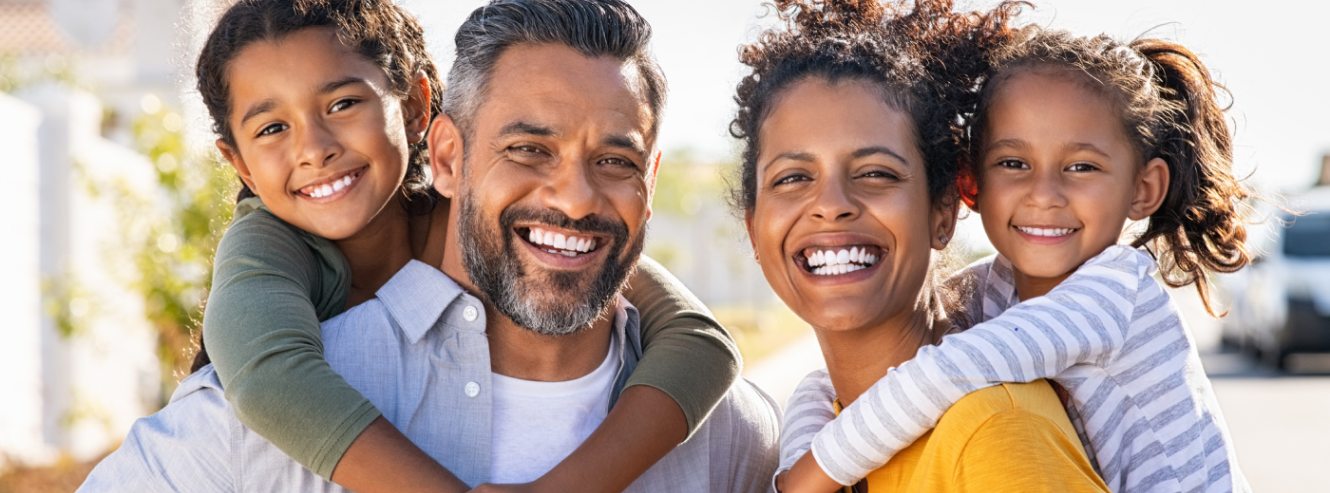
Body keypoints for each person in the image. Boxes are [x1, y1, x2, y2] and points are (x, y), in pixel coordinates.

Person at [78, 0, 780, 491]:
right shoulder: (250, 372)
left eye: (615, 161)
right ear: (449, 155)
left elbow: (698, 337)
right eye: (529, 148)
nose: (316, 149)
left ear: (415, 112)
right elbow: (266, 377)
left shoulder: (729, 437)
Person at [779, 13, 1252, 493]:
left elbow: (942, 373)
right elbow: (834, 383)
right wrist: (791, 463)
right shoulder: (996, 285)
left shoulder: (1114, 293)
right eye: (1013, 163)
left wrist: (807, 477)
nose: (1044, 193)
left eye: (1082, 166)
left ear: (1142, 188)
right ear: (971, 182)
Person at [728, 0, 1109, 491]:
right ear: (756, 228)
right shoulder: (818, 427)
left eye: (876, 173)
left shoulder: (991, 432)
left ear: (943, 213)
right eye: (793, 177)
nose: (831, 205)